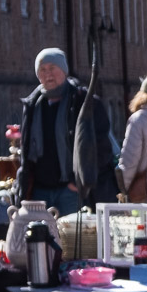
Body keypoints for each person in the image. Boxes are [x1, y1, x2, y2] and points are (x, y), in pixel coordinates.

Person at [17, 48, 116, 213]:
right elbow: (26, 151)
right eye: (43, 69)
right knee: (40, 237)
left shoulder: (84, 102)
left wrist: (79, 182)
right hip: (39, 190)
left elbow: (101, 148)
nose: (48, 74)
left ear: (63, 70)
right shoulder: (33, 105)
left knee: (69, 238)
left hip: (71, 190)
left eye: (52, 68)